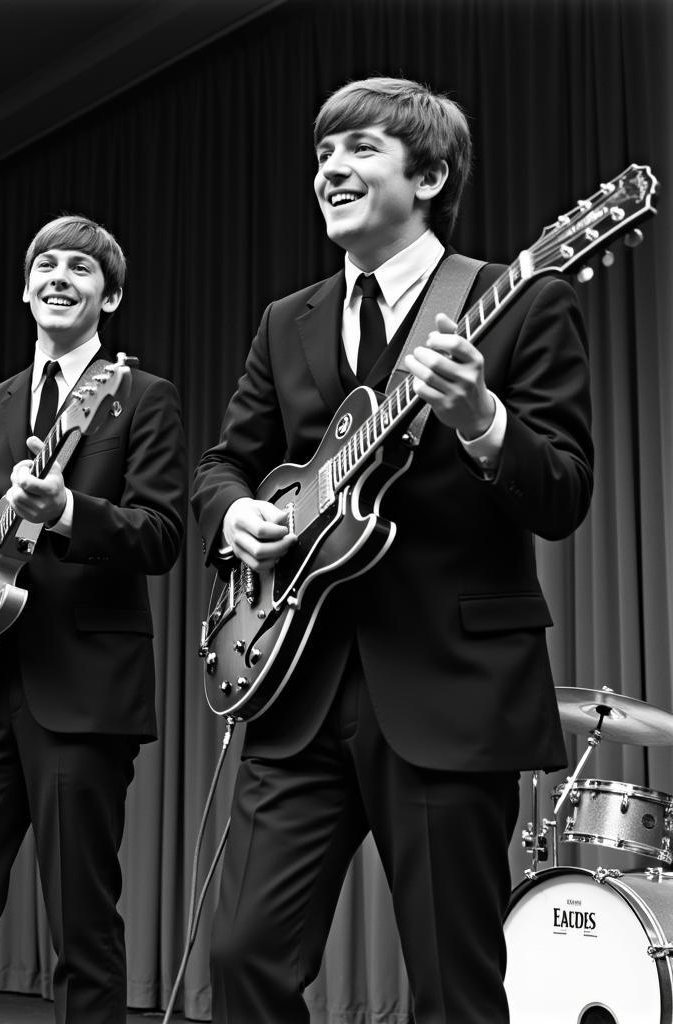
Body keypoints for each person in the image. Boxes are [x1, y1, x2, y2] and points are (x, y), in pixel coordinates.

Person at [192, 77, 593, 1022]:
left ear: (431, 175)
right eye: (324, 152)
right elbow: (220, 466)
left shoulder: (515, 301)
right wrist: (236, 514)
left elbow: (565, 490)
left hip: (447, 687)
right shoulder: (283, 319)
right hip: (293, 681)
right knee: (243, 957)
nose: (331, 167)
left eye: (361, 148)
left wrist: (482, 418)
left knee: (452, 988)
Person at [0, 214, 187, 1024]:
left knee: (80, 929)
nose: (60, 277)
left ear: (113, 296)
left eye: (82, 269)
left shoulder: (138, 395)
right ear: (26, 286)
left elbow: (163, 534)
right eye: (47, 265)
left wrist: (69, 511)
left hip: (85, 691)